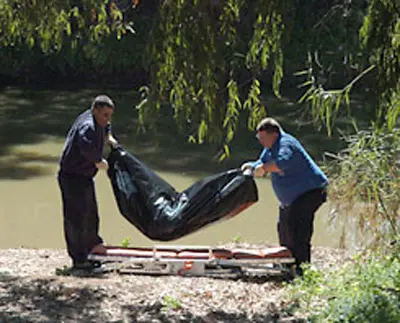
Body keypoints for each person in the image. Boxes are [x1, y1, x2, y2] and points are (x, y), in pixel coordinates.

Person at [241, 118, 328, 276]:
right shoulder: (271, 146)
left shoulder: (285, 143)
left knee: (299, 229)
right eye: (258, 138)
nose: (261, 142)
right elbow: (262, 161)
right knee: (284, 228)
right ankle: (287, 264)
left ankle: (302, 269)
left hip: (310, 192)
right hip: (292, 199)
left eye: (263, 138)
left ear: (273, 134)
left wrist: (264, 168)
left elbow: (282, 162)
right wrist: (251, 167)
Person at [57, 95, 118, 271]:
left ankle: (93, 245)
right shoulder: (88, 127)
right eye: (105, 115)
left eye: (110, 115)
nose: (107, 119)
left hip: (84, 177)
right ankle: (79, 259)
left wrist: (109, 137)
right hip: (71, 176)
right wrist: (98, 161)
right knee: (76, 218)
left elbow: (107, 127)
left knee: (91, 212)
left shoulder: (100, 120)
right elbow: (85, 147)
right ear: (95, 111)